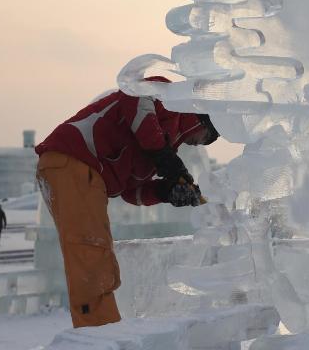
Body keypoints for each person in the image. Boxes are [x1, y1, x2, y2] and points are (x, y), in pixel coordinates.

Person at [35, 83, 219, 328]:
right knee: (90, 251)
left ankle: (104, 326)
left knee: (98, 252)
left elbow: (131, 192)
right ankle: (99, 331)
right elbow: (134, 95)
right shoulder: (171, 101)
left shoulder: (165, 142)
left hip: (86, 174)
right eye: (207, 138)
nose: (200, 145)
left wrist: (166, 192)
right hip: (73, 158)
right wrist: (164, 157)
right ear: (205, 122)